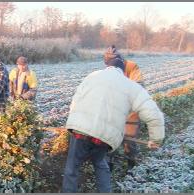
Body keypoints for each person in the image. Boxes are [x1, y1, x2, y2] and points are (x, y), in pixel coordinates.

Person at [61, 57, 165, 193]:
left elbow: (75, 101)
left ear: (107, 67)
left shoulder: (92, 76)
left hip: (81, 131)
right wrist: (156, 139)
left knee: (72, 168)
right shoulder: (131, 86)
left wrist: (73, 121)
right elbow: (154, 114)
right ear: (123, 70)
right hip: (105, 136)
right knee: (99, 163)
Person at [104, 45, 144, 169]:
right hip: (115, 107)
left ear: (120, 60)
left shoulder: (132, 66)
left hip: (132, 107)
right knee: (110, 136)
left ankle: (131, 164)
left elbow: (138, 86)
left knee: (129, 138)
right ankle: (109, 164)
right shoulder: (109, 69)